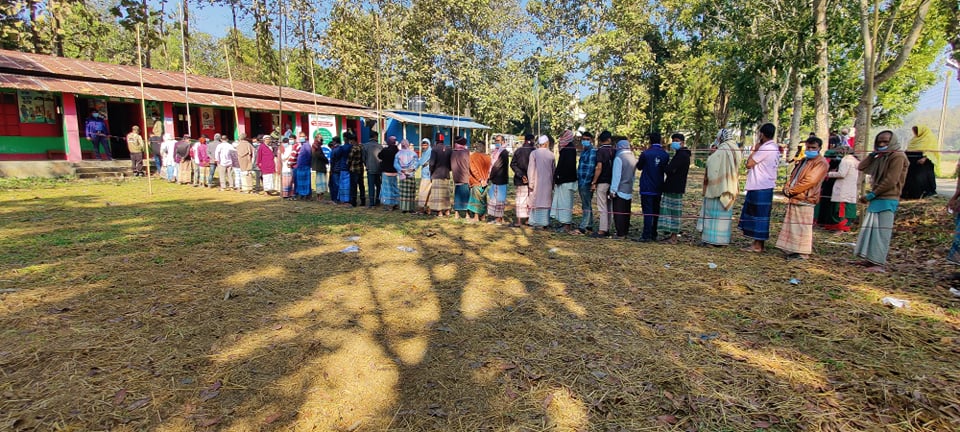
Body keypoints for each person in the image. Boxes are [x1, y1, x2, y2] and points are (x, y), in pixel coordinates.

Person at [854, 130, 909, 272]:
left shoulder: (897, 156)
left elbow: (891, 180)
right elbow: (861, 167)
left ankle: (879, 263)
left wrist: (872, 195)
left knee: (881, 232)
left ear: (892, 141)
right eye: (879, 142)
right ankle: (870, 259)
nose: (882, 144)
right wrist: (873, 155)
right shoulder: (882, 156)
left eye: (885, 142)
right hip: (877, 197)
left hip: (887, 197)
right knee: (871, 230)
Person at [775, 137, 829, 260]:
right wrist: (787, 187)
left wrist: (792, 191)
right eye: (808, 147)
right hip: (796, 197)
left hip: (806, 198)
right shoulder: (804, 160)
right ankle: (793, 250)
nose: (810, 150)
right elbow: (794, 176)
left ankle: (803, 253)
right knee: (794, 225)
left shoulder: (821, 163)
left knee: (803, 226)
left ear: (819, 148)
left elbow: (810, 181)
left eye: (813, 148)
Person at [739, 123, 781, 253]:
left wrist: (755, 150)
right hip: (764, 185)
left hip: (760, 186)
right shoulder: (774, 147)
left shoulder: (765, 148)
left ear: (762, 134)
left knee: (758, 216)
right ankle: (758, 243)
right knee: (760, 215)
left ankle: (757, 245)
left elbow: (749, 164)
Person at [698, 129, 742, 246]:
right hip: (730, 184)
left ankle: (712, 240)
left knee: (713, 214)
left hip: (718, 187)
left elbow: (712, 164)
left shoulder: (723, 149)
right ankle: (722, 240)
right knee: (724, 215)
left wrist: (712, 153)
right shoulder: (735, 148)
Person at [635, 132, 670, 242]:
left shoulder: (645, 153)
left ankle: (646, 235)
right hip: (658, 186)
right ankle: (654, 233)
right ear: (660, 140)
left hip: (646, 186)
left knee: (647, 212)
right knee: (655, 211)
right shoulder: (665, 154)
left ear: (650, 141)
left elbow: (639, 167)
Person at [659, 133, 691, 244]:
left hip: (675, 187)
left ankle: (673, 237)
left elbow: (669, 169)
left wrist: (664, 167)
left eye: (676, 140)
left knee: (673, 212)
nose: (674, 142)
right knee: (670, 211)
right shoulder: (680, 154)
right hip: (674, 186)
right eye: (673, 140)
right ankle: (671, 235)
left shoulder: (682, 155)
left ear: (682, 142)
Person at [822, 144, 859, 231]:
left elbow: (842, 174)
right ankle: (838, 227)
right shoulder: (855, 161)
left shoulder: (845, 161)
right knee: (845, 208)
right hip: (850, 187)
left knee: (841, 210)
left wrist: (829, 174)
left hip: (843, 188)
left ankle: (841, 228)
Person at [609, 139, 638, 239]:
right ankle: (625, 231)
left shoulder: (619, 157)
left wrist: (613, 190)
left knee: (618, 212)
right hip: (628, 188)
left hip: (620, 189)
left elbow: (616, 176)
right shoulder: (633, 157)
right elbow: (633, 175)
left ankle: (620, 233)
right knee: (626, 212)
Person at [552, 130, 579, 234]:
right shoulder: (567, 148)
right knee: (562, 203)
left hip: (566, 180)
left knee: (566, 203)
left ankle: (566, 225)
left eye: (563, 135)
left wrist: (559, 177)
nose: (561, 137)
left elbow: (567, 166)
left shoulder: (569, 149)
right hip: (564, 180)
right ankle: (563, 223)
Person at [901, 125, 938, 199]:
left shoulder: (929, 138)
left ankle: (925, 193)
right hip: (911, 161)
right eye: (914, 130)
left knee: (920, 178)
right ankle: (910, 194)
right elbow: (909, 148)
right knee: (910, 177)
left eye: (916, 130)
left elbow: (931, 150)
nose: (915, 132)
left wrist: (925, 158)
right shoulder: (914, 139)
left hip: (923, 162)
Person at [527, 135, 556, 229]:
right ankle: (544, 222)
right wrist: (552, 184)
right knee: (545, 202)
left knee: (536, 201)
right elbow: (553, 171)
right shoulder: (551, 155)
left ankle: (534, 222)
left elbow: (531, 169)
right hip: (548, 183)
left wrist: (530, 183)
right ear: (547, 143)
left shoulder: (534, 153)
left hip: (536, 183)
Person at [591, 131, 615, 237]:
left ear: (600, 140)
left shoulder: (600, 151)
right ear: (609, 139)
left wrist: (594, 181)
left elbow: (599, 167)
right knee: (609, 206)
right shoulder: (614, 150)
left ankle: (602, 229)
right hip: (612, 181)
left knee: (602, 206)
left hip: (602, 181)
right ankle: (608, 227)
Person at [511, 135, 536, 227]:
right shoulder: (535, 151)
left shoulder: (518, 151)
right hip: (532, 180)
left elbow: (513, 164)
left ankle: (518, 221)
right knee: (530, 200)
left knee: (520, 200)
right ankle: (528, 220)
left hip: (520, 179)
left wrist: (521, 175)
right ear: (531, 140)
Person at [487, 135, 510, 224]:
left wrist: (490, 177)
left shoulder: (503, 152)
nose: (497, 142)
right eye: (496, 140)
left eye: (498, 141)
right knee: (494, 199)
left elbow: (497, 166)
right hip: (495, 179)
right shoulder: (495, 152)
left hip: (500, 179)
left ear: (503, 142)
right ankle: (497, 218)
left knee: (499, 200)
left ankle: (499, 218)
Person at [576, 131, 596, 234]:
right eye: (584, 139)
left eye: (587, 139)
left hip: (586, 182)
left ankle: (583, 226)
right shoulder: (584, 151)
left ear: (591, 140)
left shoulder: (592, 151)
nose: (585, 141)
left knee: (586, 205)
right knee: (587, 203)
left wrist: (586, 182)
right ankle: (589, 225)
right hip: (581, 180)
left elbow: (591, 168)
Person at [428, 137, 453, 216]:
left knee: (438, 195)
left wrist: (431, 172)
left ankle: (439, 212)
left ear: (436, 141)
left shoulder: (434, 149)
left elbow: (431, 163)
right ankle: (447, 210)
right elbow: (451, 162)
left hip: (437, 174)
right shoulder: (449, 149)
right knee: (446, 194)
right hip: (446, 174)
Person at [467, 140, 492, 222]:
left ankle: (476, 217)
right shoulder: (488, 157)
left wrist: (480, 179)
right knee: (483, 199)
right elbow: (490, 170)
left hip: (476, 181)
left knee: (476, 199)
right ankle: (483, 216)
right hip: (485, 181)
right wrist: (486, 179)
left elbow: (473, 170)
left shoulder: (472, 156)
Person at [395, 139, 420, 213]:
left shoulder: (399, 153)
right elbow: (416, 163)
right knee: (411, 192)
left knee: (403, 192)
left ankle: (404, 208)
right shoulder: (413, 153)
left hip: (403, 175)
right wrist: (411, 170)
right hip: (410, 174)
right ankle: (411, 208)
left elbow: (396, 164)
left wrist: (401, 170)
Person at [451, 137, 472, 219]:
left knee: (457, 195)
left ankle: (456, 213)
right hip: (465, 176)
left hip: (456, 176)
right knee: (466, 195)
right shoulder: (465, 152)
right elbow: (469, 164)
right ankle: (467, 214)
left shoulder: (453, 152)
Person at [379, 136, 400, 210]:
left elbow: (379, 156)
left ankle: (388, 205)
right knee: (394, 188)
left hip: (386, 172)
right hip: (394, 172)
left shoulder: (385, 150)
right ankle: (396, 203)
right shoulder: (397, 151)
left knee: (387, 189)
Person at [332, 135, 353, 204]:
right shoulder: (351, 147)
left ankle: (342, 198)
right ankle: (348, 198)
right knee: (348, 184)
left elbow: (337, 156)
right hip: (350, 167)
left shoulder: (341, 148)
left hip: (342, 167)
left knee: (342, 184)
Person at [347, 133, 366, 207]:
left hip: (354, 169)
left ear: (353, 140)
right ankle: (363, 200)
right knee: (361, 185)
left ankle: (353, 202)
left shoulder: (353, 148)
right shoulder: (361, 147)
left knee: (354, 186)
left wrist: (348, 164)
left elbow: (349, 160)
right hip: (361, 168)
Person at [363, 137, 383, 207]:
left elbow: (364, 158)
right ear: (376, 137)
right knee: (378, 186)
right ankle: (378, 200)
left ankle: (371, 202)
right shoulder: (380, 146)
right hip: (378, 168)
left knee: (371, 186)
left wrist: (367, 165)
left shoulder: (365, 146)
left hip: (370, 168)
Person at [416, 139, 433, 213]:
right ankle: (427, 208)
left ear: (429, 145)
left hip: (427, 175)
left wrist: (413, 168)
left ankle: (422, 208)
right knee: (428, 192)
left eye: (426, 145)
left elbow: (421, 162)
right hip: (427, 174)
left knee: (423, 192)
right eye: (423, 145)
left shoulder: (429, 152)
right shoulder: (425, 152)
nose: (424, 146)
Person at [294, 133, 313, 199]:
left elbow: (309, 155)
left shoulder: (307, 145)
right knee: (301, 181)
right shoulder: (302, 145)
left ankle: (307, 194)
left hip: (305, 166)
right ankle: (302, 194)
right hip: (300, 166)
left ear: (306, 137)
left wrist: (308, 164)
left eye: (303, 136)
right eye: (300, 136)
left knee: (306, 181)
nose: (301, 138)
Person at [312, 137, 329, 201]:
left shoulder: (315, 148)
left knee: (319, 182)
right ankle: (320, 197)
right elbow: (321, 156)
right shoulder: (317, 148)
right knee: (321, 182)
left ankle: (319, 196)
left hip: (318, 167)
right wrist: (326, 160)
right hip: (320, 167)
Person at [327, 137, 343, 202]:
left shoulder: (335, 150)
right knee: (339, 184)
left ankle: (335, 198)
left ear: (335, 142)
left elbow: (332, 161)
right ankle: (340, 198)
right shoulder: (342, 148)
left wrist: (331, 170)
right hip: (341, 168)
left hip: (335, 169)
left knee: (335, 185)